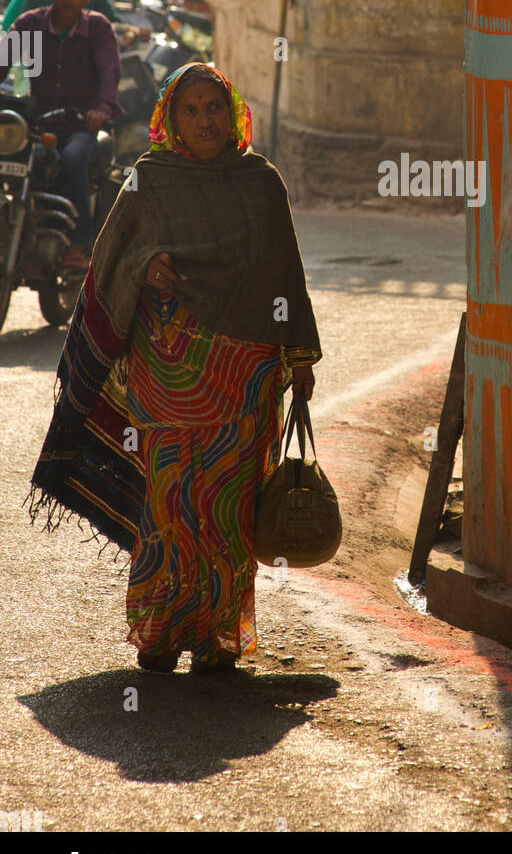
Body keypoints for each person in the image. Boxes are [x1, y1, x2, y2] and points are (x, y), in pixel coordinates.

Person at [27, 63, 321, 674]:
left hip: (247, 375)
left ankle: (218, 636)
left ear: (232, 110)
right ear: (171, 120)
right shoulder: (148, 181)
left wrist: (299, 359)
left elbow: (285, 274)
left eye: (214, 106)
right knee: (169, 502)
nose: (205, 120)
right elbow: (113, 259)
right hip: (166, 366)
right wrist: (145, 268)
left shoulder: (260, 182)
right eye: (190, 109)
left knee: (230, 508)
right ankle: (160, 633)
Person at [0, 0, 121, 271]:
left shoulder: (98, 28)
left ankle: (80, 242)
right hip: (35, 124)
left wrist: (102, 109)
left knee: (72, 158)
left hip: (80, 126)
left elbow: (110, 72)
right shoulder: (30, 24)